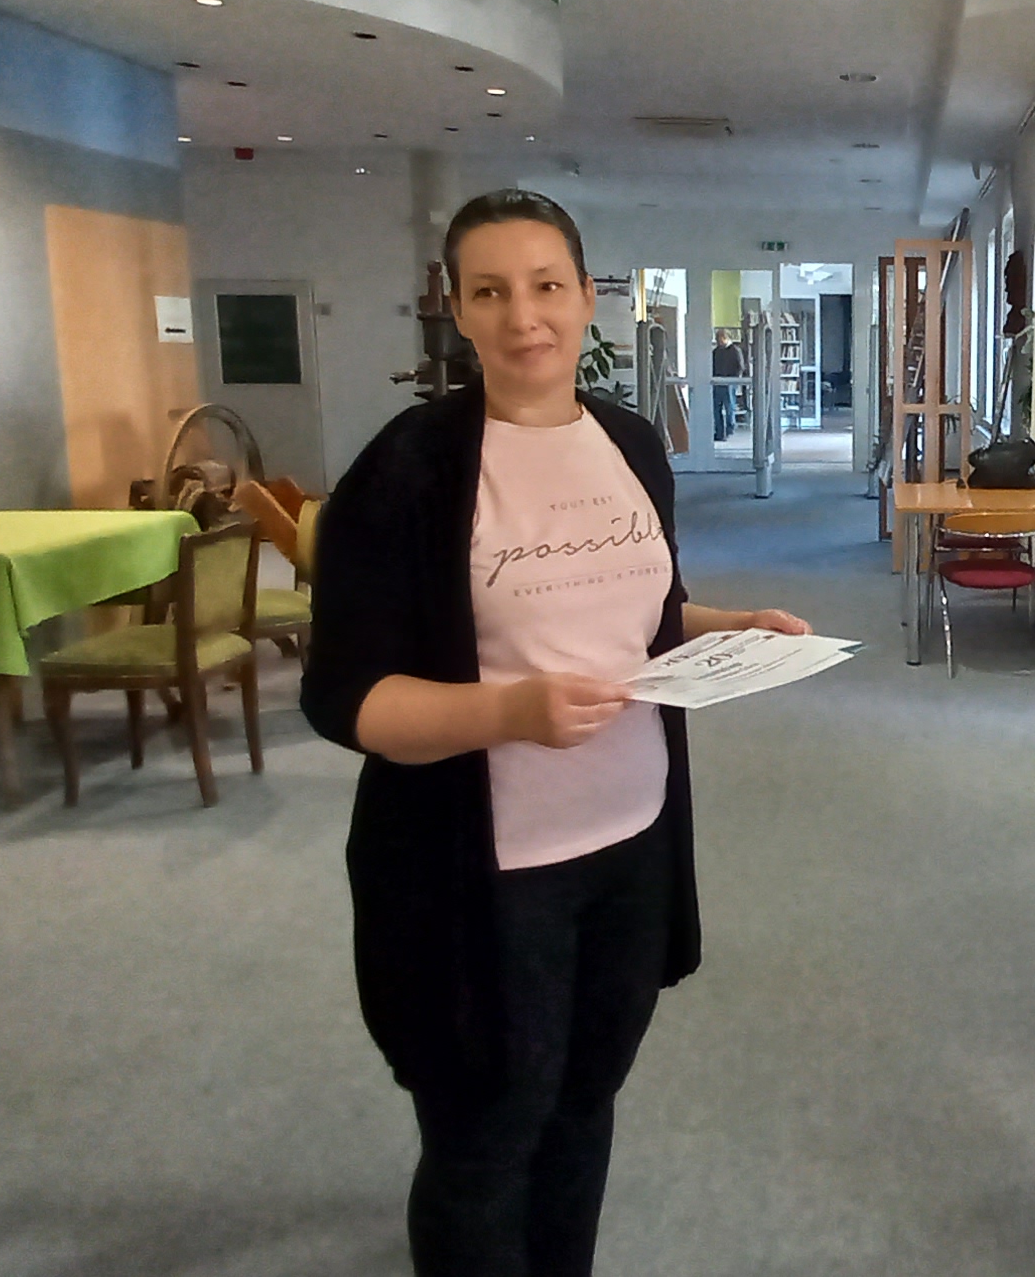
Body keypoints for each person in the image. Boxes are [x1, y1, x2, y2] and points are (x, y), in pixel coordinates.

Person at [302, 189, 809, 1277]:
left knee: (585, 1098)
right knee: (488, 1130)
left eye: (545, 285)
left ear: (587, 295)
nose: (523, 315)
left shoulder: (629, 441)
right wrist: (506, 712)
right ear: (457, 309)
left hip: (631, 843)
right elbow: (346, 698)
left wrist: (728, 626)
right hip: (479, 873)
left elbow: (645, 614)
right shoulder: (410, 466)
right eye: (490, 291)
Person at [709, 330, 743, 441]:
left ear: (725, 338)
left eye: (720, 339)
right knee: (716, 408)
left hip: (729, 383)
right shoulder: (716, 351)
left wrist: (734, 381)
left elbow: (740, 367)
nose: (718, 342)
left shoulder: (735, 351)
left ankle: (729, 429)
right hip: (717, 383)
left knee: (729, 407)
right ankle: (719, 432)